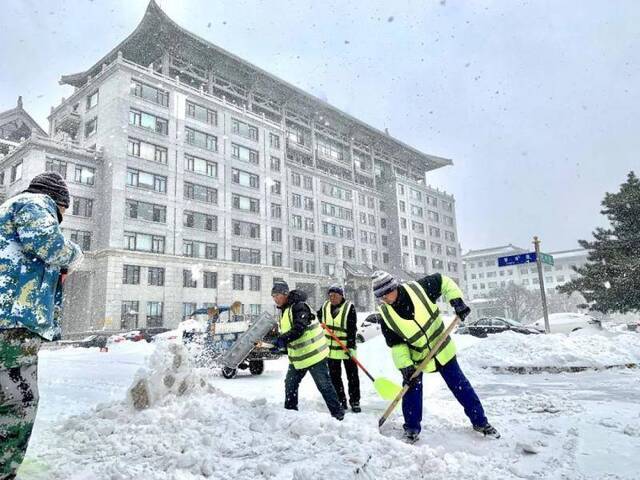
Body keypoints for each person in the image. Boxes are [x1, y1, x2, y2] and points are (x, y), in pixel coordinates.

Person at [0, 172, 83, 479]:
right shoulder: (35, 203)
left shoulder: (11, 212)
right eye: (63, 212)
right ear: (58, 202)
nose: (61, 219)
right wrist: (73, 256)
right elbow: (48, 241)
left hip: (9, 320)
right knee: (17, 402)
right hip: (11, 323)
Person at [371, 270, 499, 443]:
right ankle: (411, 429)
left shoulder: (419, 289)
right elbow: (397, 345)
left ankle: (480, 422)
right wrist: (406, 366)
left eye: (386, 295)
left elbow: (443, 281)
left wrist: (457, 301)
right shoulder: (386, 315)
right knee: (411, 391)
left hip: (443, 350)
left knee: (461, 386)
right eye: (381, 297)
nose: (385, 299)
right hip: (418, 357)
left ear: (394, 288)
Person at [271, 281, 345, 420]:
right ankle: (290, 412)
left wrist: (283, 340)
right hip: (299, 358)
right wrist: (281, 347)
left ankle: (338, 414)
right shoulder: (285, 311)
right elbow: (290, 334)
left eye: (277, 295)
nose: (275, 298)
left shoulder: (299, 306)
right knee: (290, 384)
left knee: (324, 385)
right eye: (273, 295)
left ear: (285, 294)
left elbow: (299, 328)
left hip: (314, 355)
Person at [316, 285, 361, 413]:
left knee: (352, 376)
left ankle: (355, 401)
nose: (332, 297)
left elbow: (352, 329)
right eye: (330, 295)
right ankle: (341, 400)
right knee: (335, 378)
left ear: (341, 295)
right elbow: (318, 316)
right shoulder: (325, 306)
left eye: (335, 295)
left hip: (347, 349)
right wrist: (317, 319)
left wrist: (351, 346)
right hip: (330, 350)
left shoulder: (348, 307)